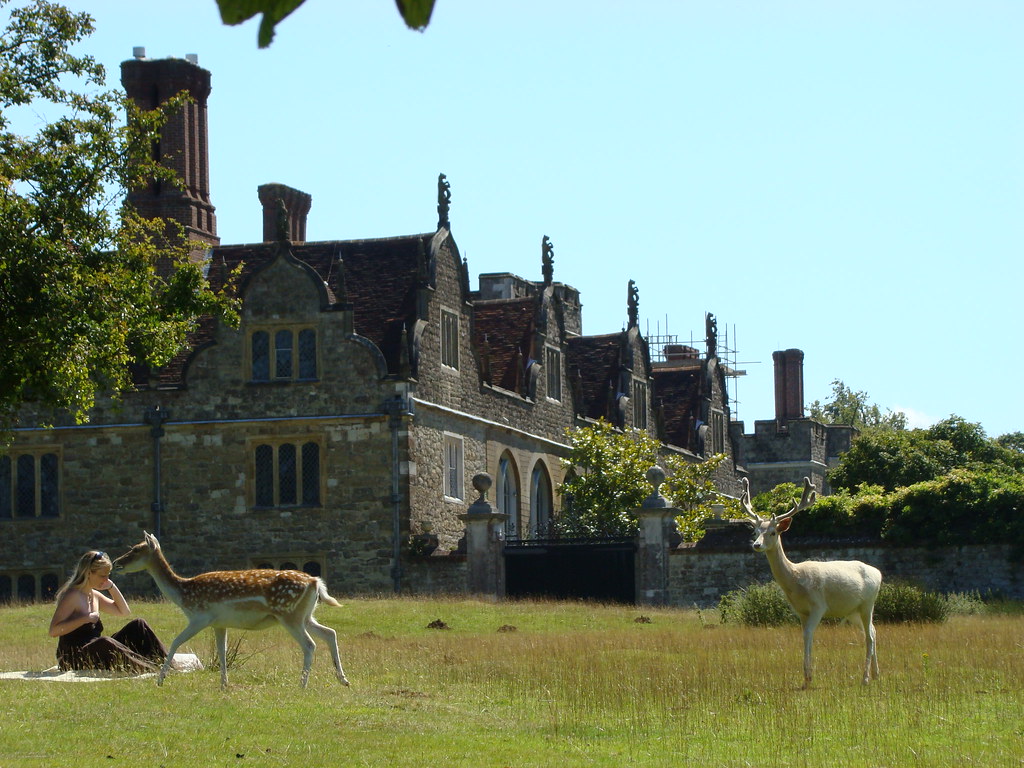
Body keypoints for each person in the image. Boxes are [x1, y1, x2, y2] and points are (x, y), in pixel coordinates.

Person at [48, 550, 167, 673]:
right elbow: (54, 631)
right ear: (89, 573)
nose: (106, 579)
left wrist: (111, 587)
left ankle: (167, 663)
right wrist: (85, 618)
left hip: (94, 648)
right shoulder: (73, 595)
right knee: (104, 642)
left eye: (108, 575)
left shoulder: (94, 595)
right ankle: (149, 669)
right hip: (74, 657)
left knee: (139, 625)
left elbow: (124, 612)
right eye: (102, 576)